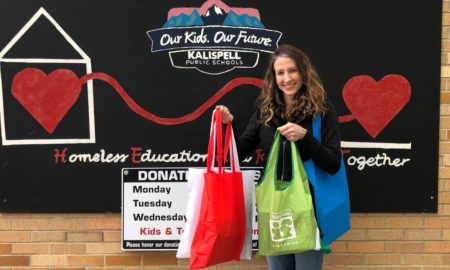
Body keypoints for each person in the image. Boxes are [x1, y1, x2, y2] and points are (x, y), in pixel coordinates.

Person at [217, 44, 342, 270]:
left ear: (304, 72)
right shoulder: (265, 108)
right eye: (280, 73)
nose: (287, 78)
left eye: (292, 71)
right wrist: (227, 127)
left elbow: (333, 163)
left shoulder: (321, 109)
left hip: (309, 210)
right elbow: (239, 151)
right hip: (274, 208)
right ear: (273, 78)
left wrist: (305, 137)